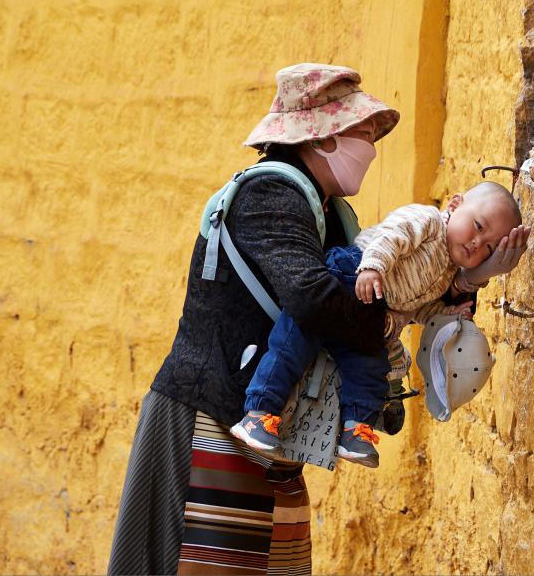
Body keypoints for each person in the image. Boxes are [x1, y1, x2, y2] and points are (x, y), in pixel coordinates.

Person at [108, 63, 400, 575]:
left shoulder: (328, 210)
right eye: (362, 131)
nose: (372, 144)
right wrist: (385, 321)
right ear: (321, 137)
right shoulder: (272, 195)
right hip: (210, 423)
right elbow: (311, 298)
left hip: (267, 432)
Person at [231, 181, 529, 468]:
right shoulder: (428, 221)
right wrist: (373, 266)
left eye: (488, 250)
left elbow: (417, 309)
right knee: (293, 345)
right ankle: (259, 413)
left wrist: (449, 315)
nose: (477, 243)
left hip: (373, 314)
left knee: (372, 368)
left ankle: (355, 430)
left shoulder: (447, 272)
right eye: (477, 226)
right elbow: (392, 235)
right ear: (455, 204)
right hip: (349, 277)